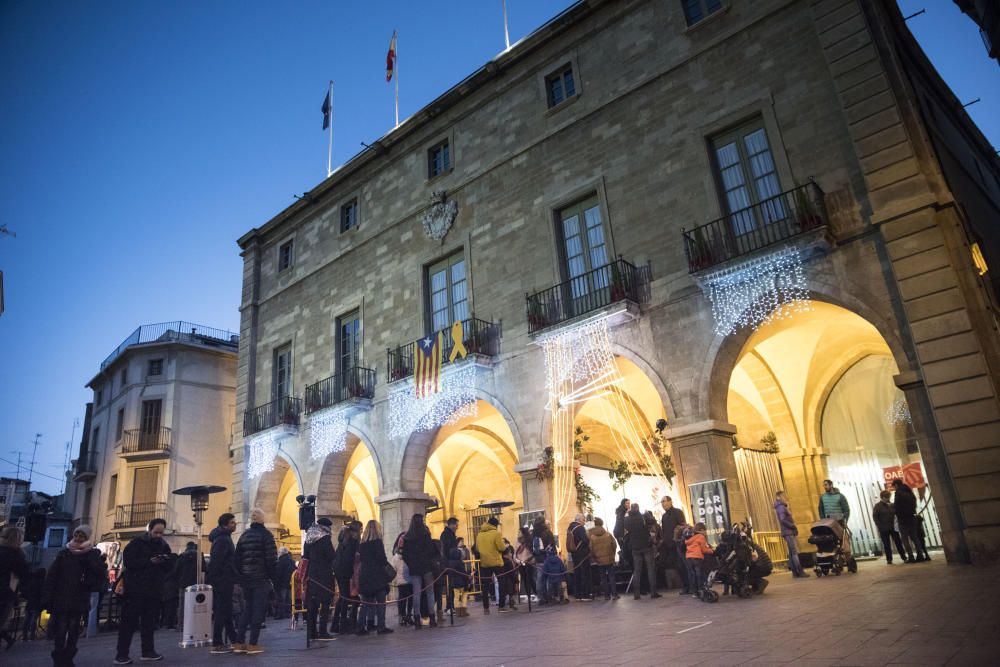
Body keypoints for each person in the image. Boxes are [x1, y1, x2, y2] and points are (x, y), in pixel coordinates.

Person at [43, 524, 106, 667]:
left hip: (79, 597)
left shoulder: (91, 554)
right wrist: (47, 596)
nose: (78, 538)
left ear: (86, 538)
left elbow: (99, 573)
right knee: (61, 629)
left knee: (73, 629)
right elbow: (52, 575)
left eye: (81, 536)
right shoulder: (64, 553)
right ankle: (59, 657)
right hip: (62, 596)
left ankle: (68, 656)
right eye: (77, 535)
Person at [115, 518, 172, 664]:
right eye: (156, 532)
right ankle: (121, 654)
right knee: (128, 624)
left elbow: (169, 566)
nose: (159, 535)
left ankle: (148, 651)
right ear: (150, 530)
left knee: (149, 623)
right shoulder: (136, 543)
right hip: (135, 590)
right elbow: (129, 562)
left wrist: (164, 561)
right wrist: (149, 562)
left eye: (161, 533)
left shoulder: (164, 546)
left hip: (153, 590)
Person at [234, 508, 277, 655]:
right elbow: (271, 560)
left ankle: (239, 642)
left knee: (247, 610)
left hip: (246, 579)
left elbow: (237, 559)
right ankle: (253, 643)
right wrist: (273, 578)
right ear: (262, 519)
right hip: (261, 578)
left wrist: (241, 576)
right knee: (258, 611)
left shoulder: (244, 536)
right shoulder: (266, 536)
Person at [207, 513, 239, 654]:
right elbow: (217, 561)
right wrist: (219, 579)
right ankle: (217, 643)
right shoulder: (223, 539)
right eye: (232, 522)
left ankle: (234, 639)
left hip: (224, 579)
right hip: (223, 580)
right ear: (225, 524)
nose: (235, 524)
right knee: (222, 610)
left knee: (226, 610)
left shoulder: (224, 538)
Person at [356, 520, 394, 636]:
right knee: (381, 602)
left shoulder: (362, 545)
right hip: (377, 577)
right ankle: (381, 626)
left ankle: (361, 627)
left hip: (365, 576)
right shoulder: (377, 542)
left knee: (365, 603)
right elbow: (382, 559)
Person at [401, 514, 437, 628]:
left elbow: (404, 554)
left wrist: (411, 564)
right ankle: (432, 618)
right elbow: (431, 550)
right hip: (427, 567)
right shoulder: (426, 535)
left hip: (415, 569)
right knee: (430, 593)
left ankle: (417, 619)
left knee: (416, 593)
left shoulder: (407, 537)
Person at [302, 518, 336, 641]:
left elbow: (305, 557)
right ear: (326, 527)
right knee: (325, 604)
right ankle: (322, 632)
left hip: (312, 576)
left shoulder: (308, 538)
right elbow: (331, 556)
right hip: (324, 576)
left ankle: (312, 632)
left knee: (313, 605)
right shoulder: (325, 538)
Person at [624, 503, 660, 599]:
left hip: (635, 547)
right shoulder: (643, 517)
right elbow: (653, 521)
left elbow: (626, 529)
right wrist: (647, 514)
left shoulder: (627, 519)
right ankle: (653, 592)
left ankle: (636, 594)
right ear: (638, 508)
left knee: (637, 570)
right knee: (650, 569)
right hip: (646, 546)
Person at [474, 516, 508, 614]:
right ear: (495, 525)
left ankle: (486, 609)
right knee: (502, 583)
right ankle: (501, 606)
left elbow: (477, 548)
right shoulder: (496, 533)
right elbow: (501, 548)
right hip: (496, 562)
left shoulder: (479, 534)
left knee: (485, 586)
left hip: (484, 563)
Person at [332, 522, 361, 634]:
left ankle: (336, 623)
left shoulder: (343, 540)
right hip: (345, 571)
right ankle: (344, 625)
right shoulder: (353, 541)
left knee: (343, 597)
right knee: (346, 598)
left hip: (339, 570)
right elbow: (350, 558)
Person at [892, 480, 928, 562]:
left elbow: (897, 506)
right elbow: (914, 504)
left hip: (903, 519)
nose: (894, 488)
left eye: (894, 486)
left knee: (905, 539)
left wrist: (896, 512)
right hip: (912, 517)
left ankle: (911, 557)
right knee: (915, 538)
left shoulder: (898, 493)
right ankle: (920, 555)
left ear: (896, 485)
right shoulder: (909, 492)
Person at [773, 491, 807, 577]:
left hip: (787, 531)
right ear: (779, 497)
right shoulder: (781, 507)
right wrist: (793, 526)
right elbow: (783, 520)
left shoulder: (781, 507)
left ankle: (795, 572)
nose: (786, 498)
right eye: (784, 496)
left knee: (792, 552)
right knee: (794, 552)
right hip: (788, 532)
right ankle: (800, 571)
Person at [659, 496, 688, 592]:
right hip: (669, 546)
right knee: (677, 566)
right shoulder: (664, 516)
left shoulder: (678, 512)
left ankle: (689, 586)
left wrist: (677, 537)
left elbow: (683, 526)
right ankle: (685, 586)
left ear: (670, 501)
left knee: (682, 565)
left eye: (664, 501)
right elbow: (664, 530)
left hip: (678, 544)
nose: (663, 504)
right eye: (661, 502)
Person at [872, 490, 908, 564]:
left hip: (893, 527)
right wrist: (880, 526)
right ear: (882, 497)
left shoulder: (891, 504)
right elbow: (875, 517)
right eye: (886, 497)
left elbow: (896, 514)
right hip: (883, 528)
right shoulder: (877, 506)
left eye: (888, 497)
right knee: (886, 544)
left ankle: (904, 557)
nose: (888, 499)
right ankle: (889, 559)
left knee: (898, 542)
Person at [588, 517, 618, 600]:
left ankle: (606, 595)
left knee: (603, 578)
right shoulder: (608, 534)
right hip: (609, 559)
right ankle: (615, 594)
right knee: (612, 577)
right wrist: (612, 554)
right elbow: (614, 545)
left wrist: (595, 557)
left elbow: (591, 549)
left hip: (599, 561)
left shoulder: (592, 537)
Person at [173, 541, 201, 627]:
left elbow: (176, 570)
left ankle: (181, 625)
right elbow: (204, 568)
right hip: (196, 584)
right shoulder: (199, 556)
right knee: (195, 604)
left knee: (182, 605)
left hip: (183, 584)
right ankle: (193, 624)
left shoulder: (182, 556)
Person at [566, 513, 592, 600]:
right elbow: (585, 540)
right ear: (579, 520)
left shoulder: (570, 528)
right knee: (584, 574)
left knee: (577, 574)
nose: (584, 522)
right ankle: (585, 594)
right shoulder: (580, 528)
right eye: (583, 520)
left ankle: (577, 595)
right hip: (582, 555)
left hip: (574, 554)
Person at [685, 522, 713, 599]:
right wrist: (711, 550)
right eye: (705, 530)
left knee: (692, 575)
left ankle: (694, 592)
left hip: (688, 557)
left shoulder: (690, 537)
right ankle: (701, 590)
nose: (706, 532)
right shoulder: (701, 536)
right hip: (697, 557)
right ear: (701, 530)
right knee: (699, 574)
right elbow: (704, 550)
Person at [530, 517, 555, 603]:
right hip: (547, 557)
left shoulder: (533, 534)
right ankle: (549, 596)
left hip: (538, 559)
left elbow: (531, 547)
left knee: (539, 579)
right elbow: (552, 545)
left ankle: (541, 598)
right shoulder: (547, 532)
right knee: (548, 578)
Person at [390, 533, 412, 626]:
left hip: (400, 581)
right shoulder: (410, 554)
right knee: (409, 599)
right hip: (409, 580)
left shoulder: (395, 556)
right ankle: (408, 616)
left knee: (402, 599)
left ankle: (402, 617)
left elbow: (392, 569)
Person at [18, 566, 46, 641]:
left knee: (26, 620)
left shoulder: (31, 581)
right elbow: (42, 593)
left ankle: (25, 636)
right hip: (36, 603)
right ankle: (32, 636)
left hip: (30, 602)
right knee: (33, 621)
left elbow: (26, 591)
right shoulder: (42, 583)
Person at [439, 517, 459, 615]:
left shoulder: (451, 534)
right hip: (448, 563)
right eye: (456, 524)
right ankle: (449, 607)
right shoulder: (446, 535)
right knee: (449, 585)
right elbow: (444, 550)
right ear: (451, 524)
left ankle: (450, 606)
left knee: (451, 585)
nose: (457, 527)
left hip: (452, 562)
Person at [448, 537, 472, 617]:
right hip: (462, 582)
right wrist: (468, 578)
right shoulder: (460, 563)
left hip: (454, 583)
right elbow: (463, 572)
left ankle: (458, 611)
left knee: (456, 597)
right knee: (465, 595)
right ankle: (464, 610)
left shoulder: (450, 563)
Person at [514, 526, 536, 605]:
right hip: (520, 563)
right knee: (524, 579)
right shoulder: (517, 541)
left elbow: (530, 552)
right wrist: (517, 560)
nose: (518, 533)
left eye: (519, 532)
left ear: (523, 533)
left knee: (530, 578)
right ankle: (528, 595)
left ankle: (535, 594)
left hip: (528, 562)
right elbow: (515, 553)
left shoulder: (528, 541)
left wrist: (527, 559)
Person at [273, 546, 297, 620]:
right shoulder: (292, 561)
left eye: (279, 552)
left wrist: (276, 583)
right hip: (290, 583)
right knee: (289, 599)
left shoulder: (280, 561)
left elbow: (278, 573)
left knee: (281, 599)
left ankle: (281, 614)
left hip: (282, 583)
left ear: (281, 553)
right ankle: (288, 613)